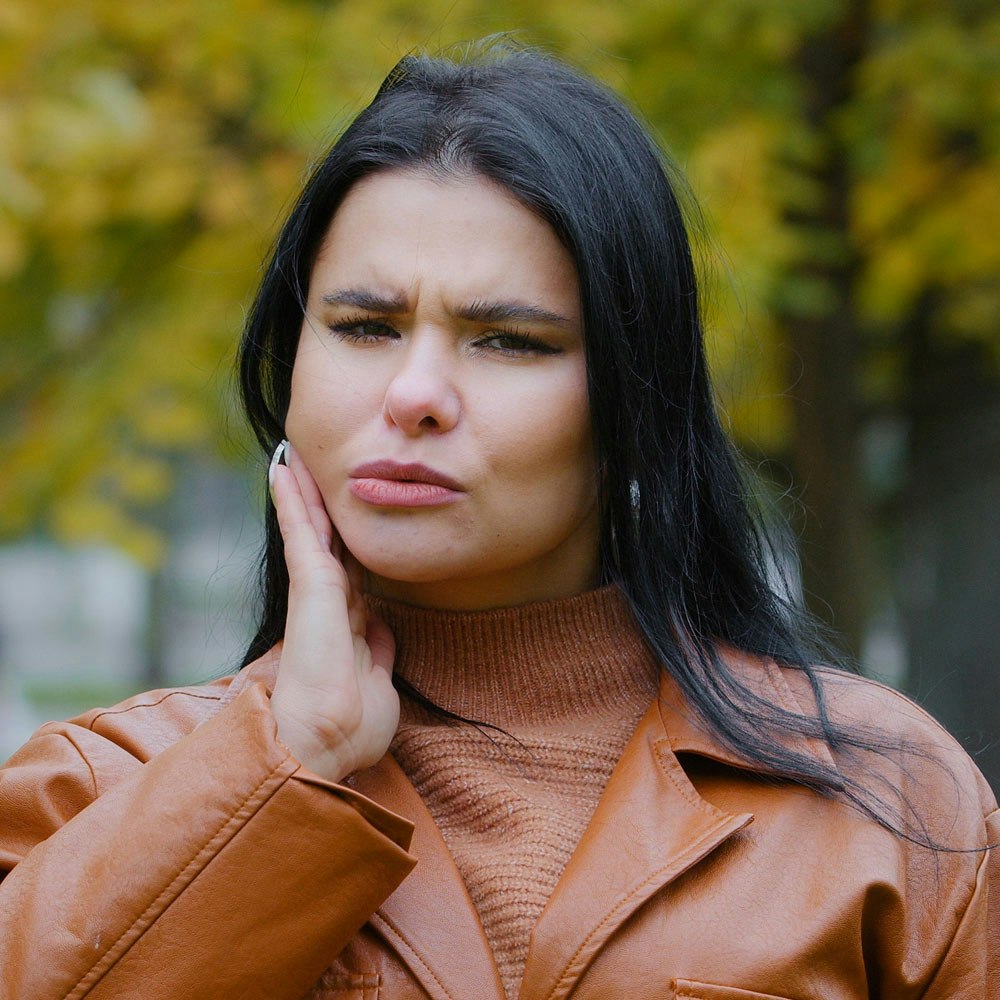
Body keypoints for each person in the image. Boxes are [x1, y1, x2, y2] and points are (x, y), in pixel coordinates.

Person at [0, 41, 996, 1000]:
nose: (414, 392)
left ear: (632, 403)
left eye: (507, 341)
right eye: (364, 327)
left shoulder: (881, 807)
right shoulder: (100, 788)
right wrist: (284, 762)